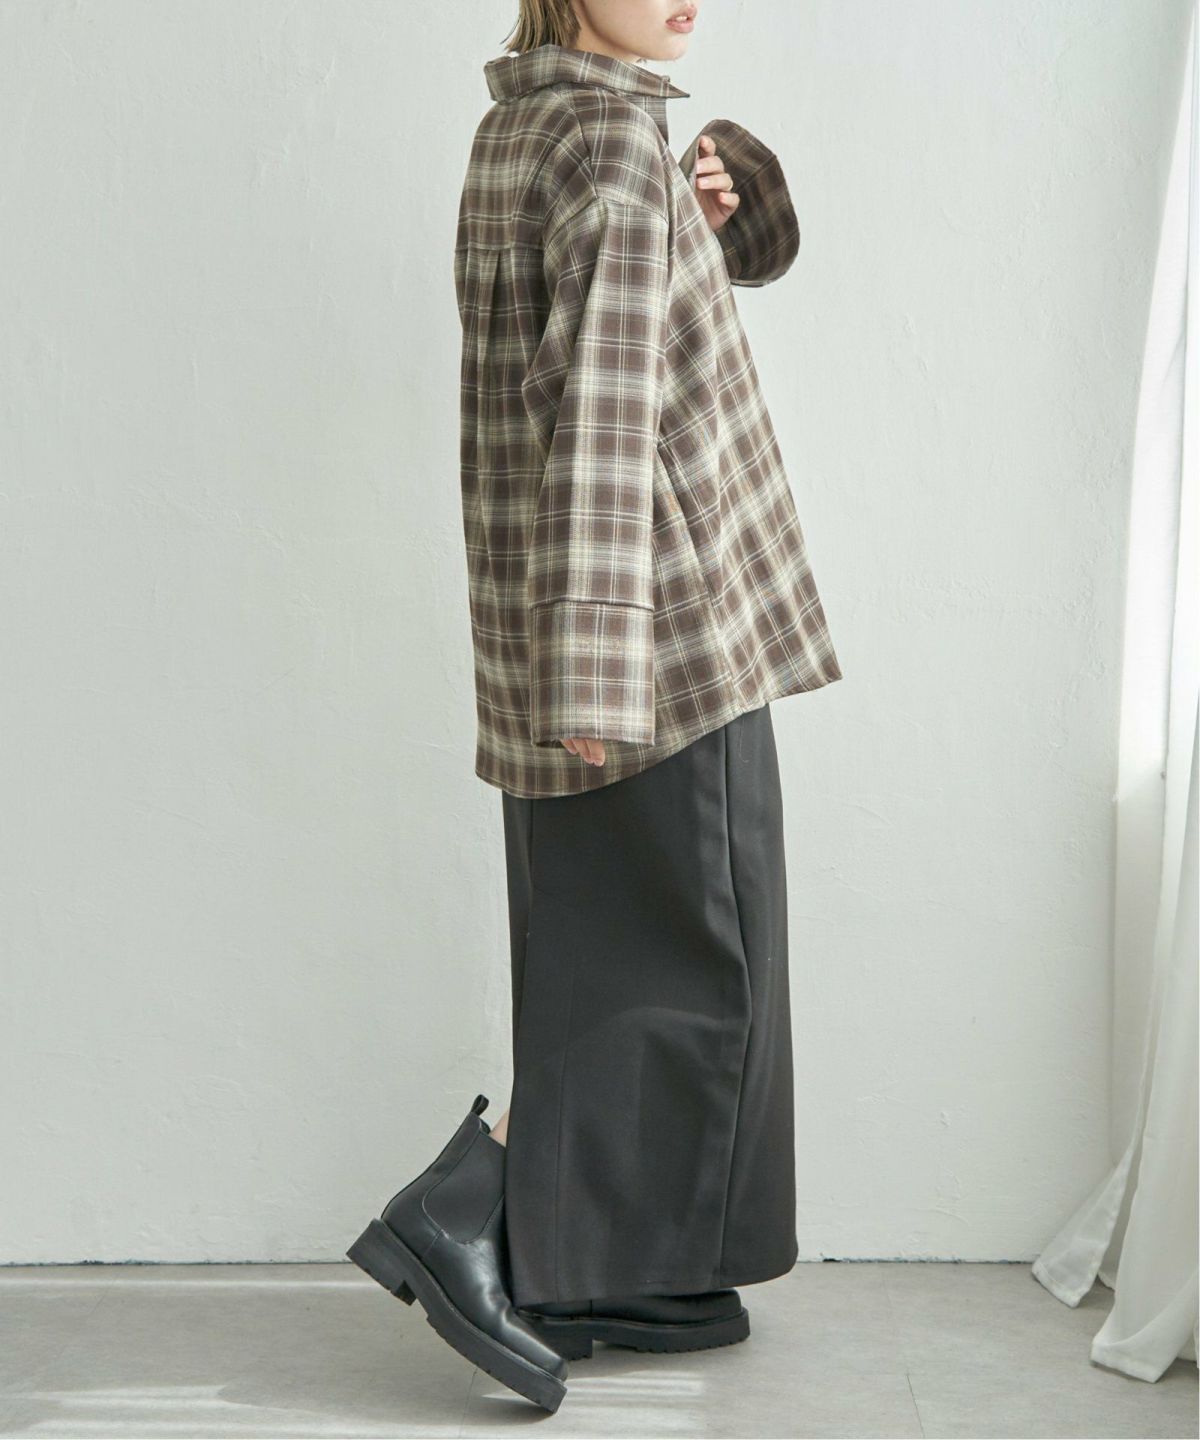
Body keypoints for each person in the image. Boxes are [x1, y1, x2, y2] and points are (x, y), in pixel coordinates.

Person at [348, 0, 843, 1413]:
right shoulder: (613, 151)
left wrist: (713, 209)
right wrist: (600, 670)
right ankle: (465, 1211)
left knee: (603, 955)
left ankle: (606, 1266)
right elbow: (608, 421)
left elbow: (617, 340)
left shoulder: (526, 129)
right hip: (663, 643)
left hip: (564, 627)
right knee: (697, 962)